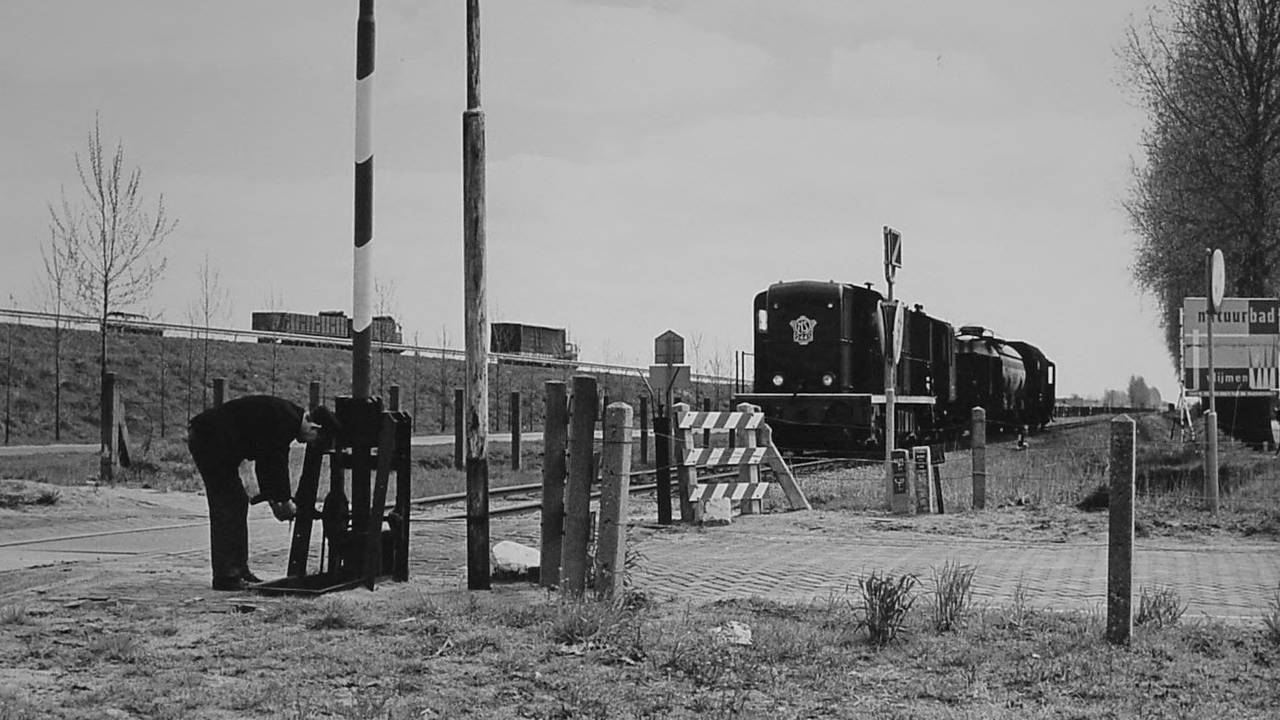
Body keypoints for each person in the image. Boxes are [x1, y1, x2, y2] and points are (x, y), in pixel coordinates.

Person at [187, 395, 340, 591]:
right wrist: (282, 501)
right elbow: (272, 462)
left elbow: (268, 462)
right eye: (315, 440)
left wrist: (276, 499)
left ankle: (238, 570)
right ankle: (227, 576)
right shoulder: (285, 420)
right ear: (315, 428)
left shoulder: (288, 417)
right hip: (208, 439)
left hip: (214, 441)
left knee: (236, 502)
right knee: (228, 504)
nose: (308, 444)